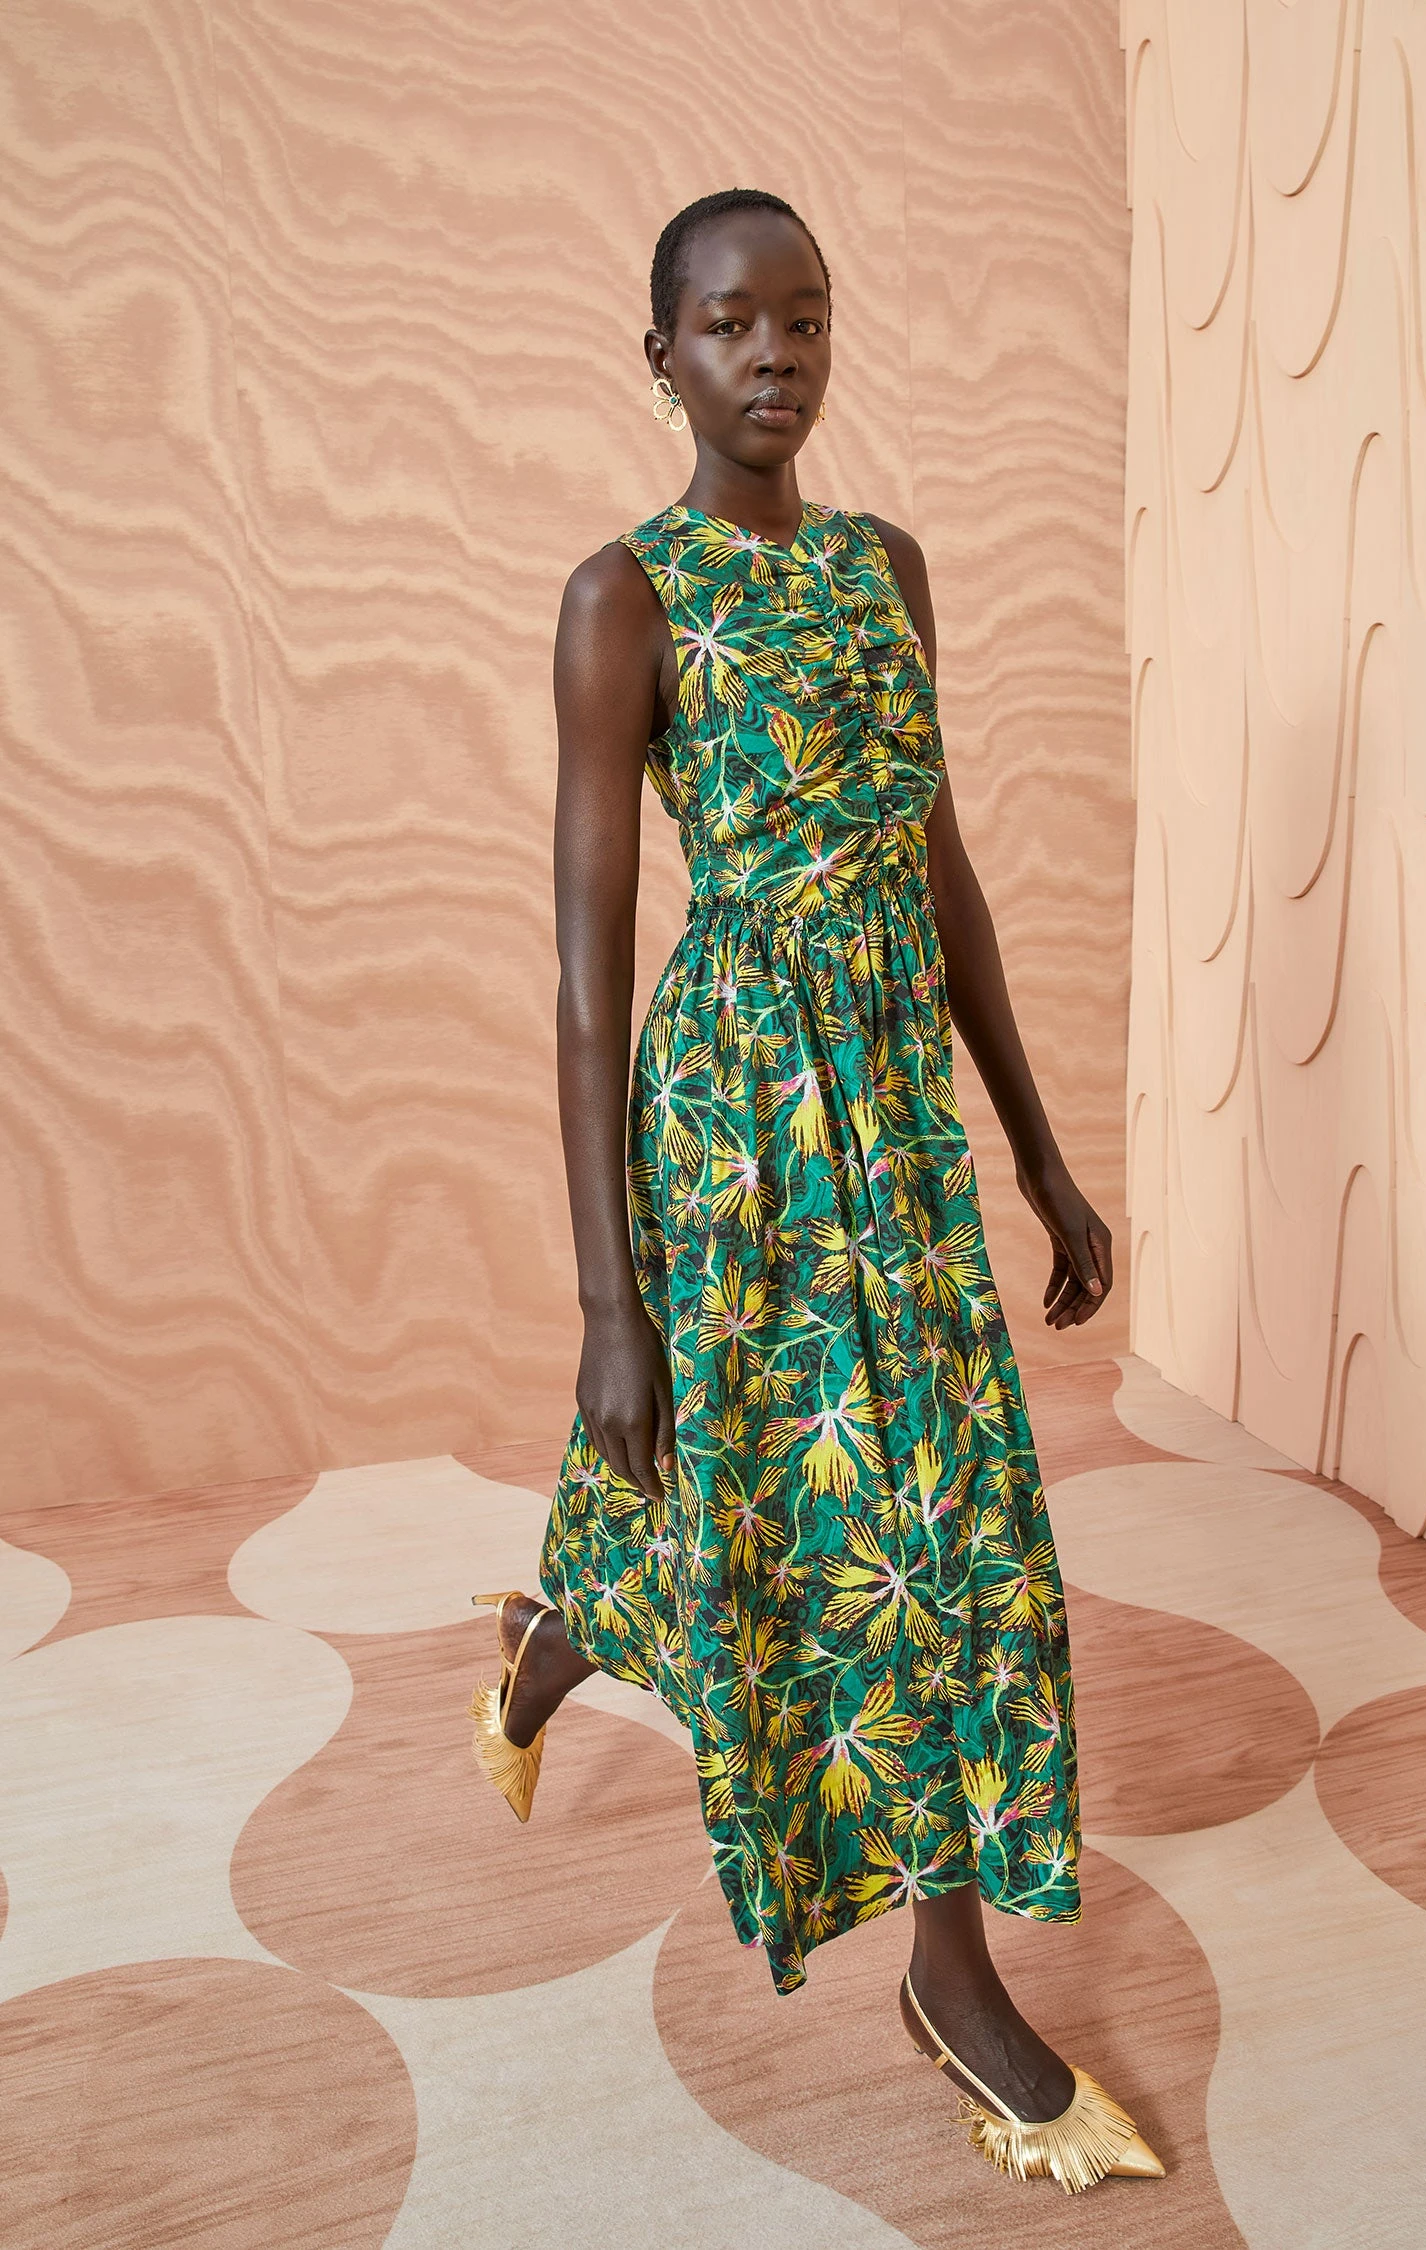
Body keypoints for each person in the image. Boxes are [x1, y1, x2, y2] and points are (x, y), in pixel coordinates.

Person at [472, 187, 1163, 2196]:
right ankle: (562, 1645)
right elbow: (588, 976)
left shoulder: (885, 570)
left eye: (804, 317)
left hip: (897, 1131)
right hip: (738, 1129)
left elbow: (938, 868)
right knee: (777, 1517)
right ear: (661, 356)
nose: (772, 353)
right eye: (727, 323)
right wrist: (609, 1302)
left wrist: (1038, 1148)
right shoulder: (626, 599)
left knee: (930, 1523)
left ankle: (942, 1965)